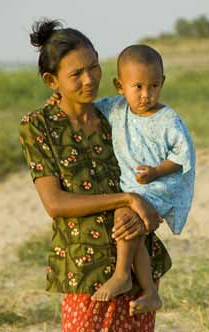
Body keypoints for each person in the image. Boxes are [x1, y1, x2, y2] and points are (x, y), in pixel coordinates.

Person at [19, 19, 172, 331]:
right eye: (76, 74)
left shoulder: (116, 114)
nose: (90, 79)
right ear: (52, 80)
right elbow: (55, 203)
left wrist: (150, 208)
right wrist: (127, 199)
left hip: (136, 263)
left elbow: (158, 169)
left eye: (94, 66)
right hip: (84, 269)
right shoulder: (38, 126)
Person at [84, 45, 196, 309]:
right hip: (136, 187)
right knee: (134, 231)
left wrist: (157, 170)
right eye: (138, 87)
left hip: (162, 184)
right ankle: (151, 293)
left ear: (162, 83)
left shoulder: (168, 119)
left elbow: (183, 156)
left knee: (125, 217)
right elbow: (85, 109)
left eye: (154, 86)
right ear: (120, 86)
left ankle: (122, 275)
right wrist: (59, 100)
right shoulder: (116, 108)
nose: (146, 95)